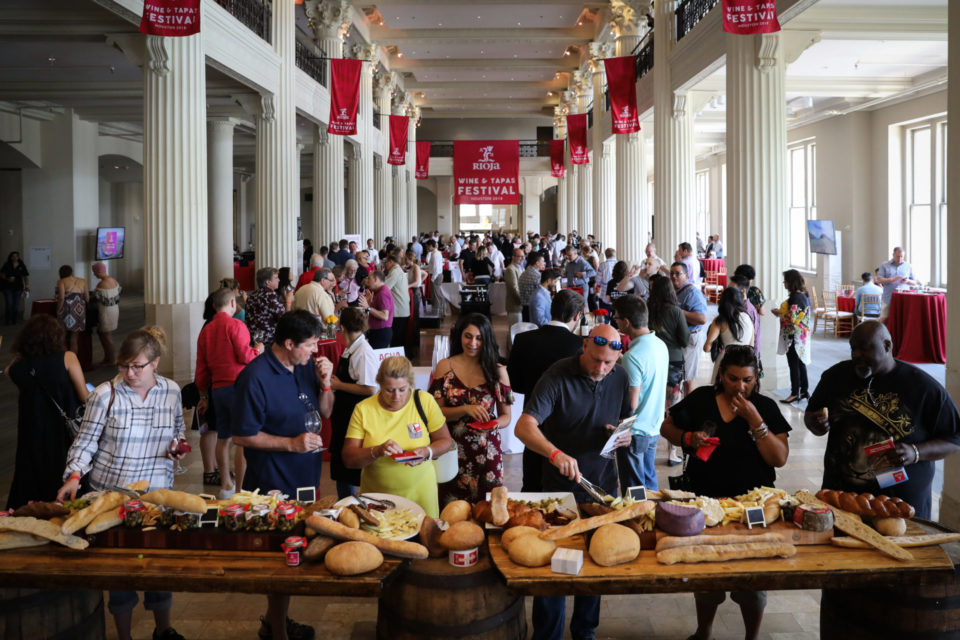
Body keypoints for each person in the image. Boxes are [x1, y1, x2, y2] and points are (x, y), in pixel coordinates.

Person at [57, 326, 188, 640]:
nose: (130, 373)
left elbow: (179, 431)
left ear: (154, 363)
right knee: (120, 575)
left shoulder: (171, 391)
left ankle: (163, 629)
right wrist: (74, 475)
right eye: (124, 366)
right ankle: (124, 636)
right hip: (113, 497)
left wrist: (177, 447)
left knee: (157, 569)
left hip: (157, 495)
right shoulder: (105, 395)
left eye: (137, 366)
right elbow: (85, 442)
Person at [661, 345, 790, 640]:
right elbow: (666, 427)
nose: (740, 387)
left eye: (747, 380)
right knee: (707, 574)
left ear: (756, 377)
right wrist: (687, 437)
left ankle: (751, 636)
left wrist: (755, 421)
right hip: (706, 501)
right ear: (721, 374)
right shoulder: (701, 399)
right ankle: (703, 630)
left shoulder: (765, 407)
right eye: (733, 379)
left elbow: (778, 458)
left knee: (753, 578)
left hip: (752, 508)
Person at [514, 324, 633, 640]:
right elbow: (524, 427)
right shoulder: (557, 376)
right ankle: (547, 635)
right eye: (595, 360)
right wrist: (554, 454)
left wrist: (622, 435)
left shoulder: (619, 377)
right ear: (584, 346)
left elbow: (625, 420)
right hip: (559, 490)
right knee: (555, 566)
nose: (600, 368)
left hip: (603, 486)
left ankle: (585, 631)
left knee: (596, 562)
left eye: (608, 363)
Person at [232, 310, 332, 640]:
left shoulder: (303, 367)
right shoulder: (255, 377)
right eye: (310, 345)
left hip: (306, 477)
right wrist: (291, 444)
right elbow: (243, 435)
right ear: (288, 343)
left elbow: (326, 411)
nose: (315, 351)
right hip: (272, 481)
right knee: (278, 560)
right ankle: (276, 630)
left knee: (295, 554)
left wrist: (326, 382)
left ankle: (276, 620)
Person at [804, 321, 960, 520]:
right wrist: (815, 424)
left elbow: (955, 439)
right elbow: (812, 415)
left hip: (898, 509)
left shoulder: (923, 389)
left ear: (887, 346)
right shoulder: (836, 376)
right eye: (853, 348)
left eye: (865, 348)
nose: (856, 355)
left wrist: (915, 452)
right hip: (841, 501)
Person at [343, 356, 455, 517]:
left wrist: (426, 452)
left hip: (421, 494)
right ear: (380, 384)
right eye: (389, 390)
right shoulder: (364, 409)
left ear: (411, 383)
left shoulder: (425, 401)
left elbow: (445, 441)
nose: (396, 396)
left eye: (402, 389)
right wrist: (376, 451)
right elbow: (348, 458)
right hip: (378, 500)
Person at [5, 315, 88, 508]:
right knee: (63, 466)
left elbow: (9, 370)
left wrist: (23, 355)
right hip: (62, 429)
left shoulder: (18, 368)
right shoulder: (67, 358)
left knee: (32, 470)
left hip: (32, 429)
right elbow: (84, 396)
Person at [431, 313, 513, 506]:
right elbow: (436, 413)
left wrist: (493, 424)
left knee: (488, 509)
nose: (473, 343)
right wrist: (465, 409)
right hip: (451, 449)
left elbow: (506, 416)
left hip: (487, 451)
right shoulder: (445, 366)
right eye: (468, 336)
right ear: (460, 336)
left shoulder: (497, 370)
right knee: (449, 509)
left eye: (479, 338)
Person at [508, 289, 584, 491]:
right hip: (566, 426)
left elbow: (514, 384)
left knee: (532, 485)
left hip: (531, 422)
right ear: (577, 316)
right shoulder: (579, 346)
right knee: (562, 490)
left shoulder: (523, 339)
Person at [196, 287, 263, 499]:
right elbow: (245, 356)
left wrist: (203, 395)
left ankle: (225, 484)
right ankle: (240, 489)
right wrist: (258, 350)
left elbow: (201, 367)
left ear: (215, 306)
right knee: (242, 439)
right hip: (239, 387)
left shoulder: (206, 330)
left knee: (223, 437)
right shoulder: (236, 325)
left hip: (217, 390)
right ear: (233, 303)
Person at [612, 295, 668, 492]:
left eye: (616, 318)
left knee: (634, 488)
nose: (615, 321)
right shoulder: (660, 345)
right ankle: (653, 519)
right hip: (654, 425)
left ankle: (636, 521)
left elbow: (632, 404)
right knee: (649, 481)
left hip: (635, 432)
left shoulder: (633, 356)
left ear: (626, 322)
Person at [328, 307, 378, 499]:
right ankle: (346, 501)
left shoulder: (363, 352)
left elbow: (370, 389)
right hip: (343, 413)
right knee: (342, 465)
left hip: (354, 414)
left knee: (348, 467)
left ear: (342, 327)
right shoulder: (352, 348)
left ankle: (351, 503)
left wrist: (340, 386)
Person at [647, 274, 691, 408]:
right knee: (671, 401)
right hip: (673, 359)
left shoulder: (647, 309)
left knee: (653, 397)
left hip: (652, 357)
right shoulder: (676, 311)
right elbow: (685, 340)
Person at [772, 269, 811, 404]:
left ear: (790, 282)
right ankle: (804, 390)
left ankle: (795, 393)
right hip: (802, 335)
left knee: (793, 364)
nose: (784, 283)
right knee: (800, 363)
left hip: (794, 335)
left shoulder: (795, 297)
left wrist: (778, 313)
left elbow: (792, 319)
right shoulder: (804, 294)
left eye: (785, 281)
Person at [670, 262, 708, 397]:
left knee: (688, 378)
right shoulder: (675, 290)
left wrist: (679, 312)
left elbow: (702, 318)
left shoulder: (692, 292)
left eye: (677, 273)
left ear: (686, 275)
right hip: (680, 338)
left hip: (691, 338)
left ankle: (690, 410)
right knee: (680, 376)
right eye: (672, 273)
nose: (674, 276)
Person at [703, 287, 754, 383]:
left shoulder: (720, 320)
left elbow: (707, 348)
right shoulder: (748, 318)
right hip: (745, 361)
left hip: (726, 360)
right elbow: (751, 346)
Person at [247, 267, 288, 346]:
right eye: (276, 278)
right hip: (269, 341)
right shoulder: (269, 295)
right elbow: (284, 318)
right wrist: (288, 301)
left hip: (254, 340)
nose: (279, 280)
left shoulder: (252, 295)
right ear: (268, 282)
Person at [90, 262, 121, 365]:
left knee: (107, 337)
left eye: (94, 272)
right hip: (115, 310)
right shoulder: (114, 281)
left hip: (105, 312)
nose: (94, 275)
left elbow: (95, 297)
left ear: (99, 271)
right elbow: (118, 294)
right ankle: (107, 357)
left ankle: (112, 360)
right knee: (104, 334)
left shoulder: (101, 284)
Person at [55, 264, 88, 354]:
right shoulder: (83, 281)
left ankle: (63, 361)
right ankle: (73, 360)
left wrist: (58, 310)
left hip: (67, 309)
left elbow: (61, 297)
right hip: (79, 310)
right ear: (71, 272)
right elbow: (87, 298)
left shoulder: (61, 281)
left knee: (63, 337)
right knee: (74, 338)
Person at [876, 246, 916, 319]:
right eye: (898, 256)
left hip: (904, 299)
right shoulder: (884, 265)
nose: (900, 259)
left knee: (902, 319)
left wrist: (908, 281)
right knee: (884, 319)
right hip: (888, 298)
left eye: (902, 257)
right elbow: (879, 279)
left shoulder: (908, 266)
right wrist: (891, 280)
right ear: (893, 255)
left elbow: (914, 282)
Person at [383, 250, 411, 350]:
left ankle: (397, 361)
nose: (385, 265)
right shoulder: (397, 270)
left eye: (386, 262)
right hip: (401, 308)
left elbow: (384, 287)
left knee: (397, 338)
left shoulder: (394, 272)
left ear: (391, 262)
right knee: (399, 336)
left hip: (399, 310)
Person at [358, 270, 394, 348]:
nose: (367, 281)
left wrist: (368, 307)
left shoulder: (383, 293)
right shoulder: (378, 292)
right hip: (377, 331)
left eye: (369, 279)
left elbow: (385, 316)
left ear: (375, 280)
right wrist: (368, 303)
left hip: (381, 332)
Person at [730, 274, 762, 359]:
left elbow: (753, 338)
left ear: (743, 291)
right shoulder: (736, 306)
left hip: (745, 358)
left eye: (732, 289)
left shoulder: (747, 310)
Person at [1, 250, 29, 325]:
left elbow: (25, 276)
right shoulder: (7, 264)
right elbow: (2, 275)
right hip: (7, 287)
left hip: (18, 287)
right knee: (9, 304)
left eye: (16, 256)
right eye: (13, 256)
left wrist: (26, 286)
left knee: (16, 305)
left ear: (18, 257)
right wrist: (7, 279)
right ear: (10, 257)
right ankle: (7, 320)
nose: (15, 257)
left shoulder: (21, 265)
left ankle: (14, 320)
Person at [518, 253, 546, 322]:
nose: (544, 263)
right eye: (543, 261)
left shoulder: (524, 273)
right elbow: (542, 292)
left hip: (524, 307)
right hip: (533, 308)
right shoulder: (537, 275)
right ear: (537, 263)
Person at [504, 247, 525, 326]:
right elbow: (514, 288)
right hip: (515, 305)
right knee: (515, 331)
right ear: (513, 257)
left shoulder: (520, 267)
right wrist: (523, 301)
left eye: (523, 256)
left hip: (520, 305)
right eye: (520, 256)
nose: (522, 258)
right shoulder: (510, 269)